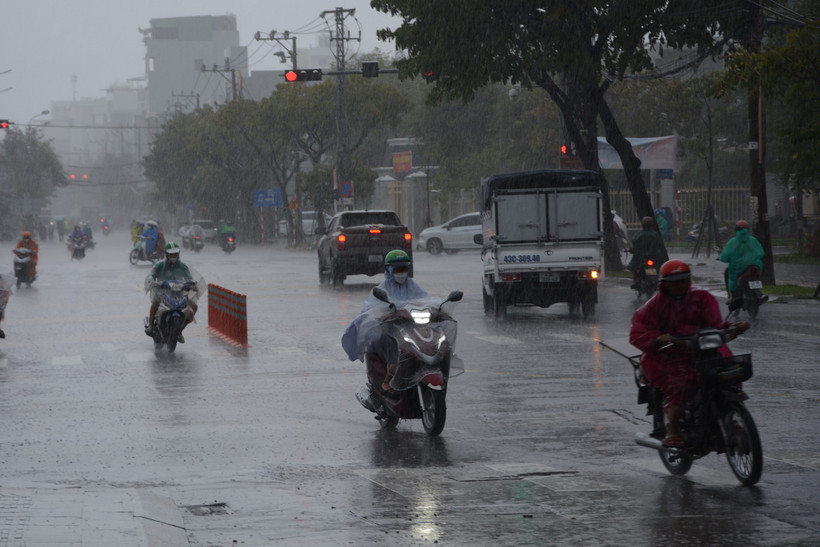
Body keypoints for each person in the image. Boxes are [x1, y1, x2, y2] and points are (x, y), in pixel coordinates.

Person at [629, 259, 749, 448]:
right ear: (664, 284)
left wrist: (733, 328)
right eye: (675, 282)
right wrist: (659, 338)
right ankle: (672, 430)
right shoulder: (653, 306)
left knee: (729, 371)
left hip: (702, 351)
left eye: (683, 280)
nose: (680, 285)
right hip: (667, 355)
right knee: (680, 386)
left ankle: (730, 416)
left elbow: (715, 324)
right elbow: (638, 332)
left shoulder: (702, 298)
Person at [342, 250, 428, 391]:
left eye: (404, 269)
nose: (401, 273)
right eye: (397, 269)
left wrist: (438, 310)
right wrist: (384, 314)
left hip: (411, 326)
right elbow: (370, 308)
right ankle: (390, 375)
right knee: (391, 339)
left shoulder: (413, 286)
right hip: (392, 327)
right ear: (389, 270)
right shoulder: (382, 289)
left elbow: (425, 299)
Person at [144, 242, 199, 343]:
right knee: (155, 302)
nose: (174, 256)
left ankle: (179, 331)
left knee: (194, 307)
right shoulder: (160, 265)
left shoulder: (183, 266)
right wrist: (152, 281)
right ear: (166, 254)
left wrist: (192, 284)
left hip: (179, 293)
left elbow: (189, 278)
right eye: (171, 254)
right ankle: (151, 326)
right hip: (162, 291)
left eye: (176, 254)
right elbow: (151, 274)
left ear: (179, 254)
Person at [719, 220, 765, 301]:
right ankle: (757, 290)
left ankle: (732, 296)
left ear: (736, 230)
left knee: (730, 276)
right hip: (755, 266)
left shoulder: (733, 242)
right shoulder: (753, 240)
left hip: (738, 268)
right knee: (756, 276)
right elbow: (761, 253)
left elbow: (725, 256)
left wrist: (723, 258)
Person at [627, 216, 666, 289]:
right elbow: (660, 245)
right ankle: (656, 280)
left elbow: (634, 244)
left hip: (639, 257)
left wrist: (632, 250)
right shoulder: (655, 234)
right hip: (654, 257)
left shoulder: (638, 234)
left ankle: (635, 281)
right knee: (658, 267)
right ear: (652, 224)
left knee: (634, 268)